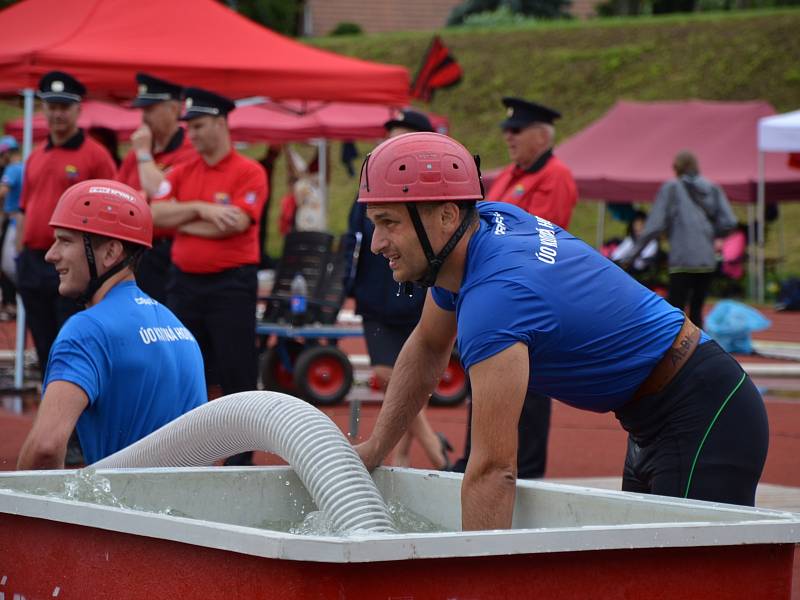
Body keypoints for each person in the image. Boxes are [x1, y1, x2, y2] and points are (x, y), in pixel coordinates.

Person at [355, 133, 768, 531]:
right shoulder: (486, 226)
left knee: (684, 580)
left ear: (446, 215)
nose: (377, 243)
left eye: (388, 222)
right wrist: (377, 446)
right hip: (665, 408)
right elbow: (428, 346)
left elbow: (493, 471)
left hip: (702, 410)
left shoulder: (495, 299)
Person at [17, 180, 206, 469]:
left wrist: (24, 510)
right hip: (185, 511)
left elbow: (45, 447)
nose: (50, 254)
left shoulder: (86, 330)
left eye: (66, 241)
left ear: (110, 253)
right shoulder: (178, 328)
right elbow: (210, 447)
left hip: (120, 511)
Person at [455, 98, 580, 478]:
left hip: (528, 299)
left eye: (516, 131)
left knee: (526, 392)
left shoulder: (555, 176)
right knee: (489, 385)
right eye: (506, 130)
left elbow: (539, 238)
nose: (508, 137)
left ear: (542, 136)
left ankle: (523, 471)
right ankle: (477, 459)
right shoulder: (512, 174)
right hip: (497, 292)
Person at [151, 87, 268, 466]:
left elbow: (233, 225)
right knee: (181, 375)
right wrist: (201, 209)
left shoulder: (249, 171)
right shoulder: (182, 170)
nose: (193, 134)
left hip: (230, 287)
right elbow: (153, 216)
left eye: (199, 125)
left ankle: (239, 465)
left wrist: (181, 222)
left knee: (236, 376)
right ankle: (184, 460)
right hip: (184, 284)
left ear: (221, 123)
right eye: (190, 127)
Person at [345, 108, 451, 470]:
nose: (390, 142)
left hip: (414, 296)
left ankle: (403, 454)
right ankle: (434, 447)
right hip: (376, 297)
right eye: (388, 135)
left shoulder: (428, 196)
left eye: (401, 135)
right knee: (390, 373)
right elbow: (357, 241)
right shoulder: (370, 186)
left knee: (411, 372)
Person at [16, 70, 117, 376]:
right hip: (34, 261)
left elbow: (109, 211)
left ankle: (74, 414)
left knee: (71, 341)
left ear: (77, 109)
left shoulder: (95, 156)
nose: (57, 113)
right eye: (52, 106)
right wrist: (19, 255)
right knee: (44, 343)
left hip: (73, 262)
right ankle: (50, 404)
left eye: (64, 106)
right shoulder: (35, 155)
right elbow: (24, 207)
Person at [625, 151, 737, 329]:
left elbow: (654, 225)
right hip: (706, 259)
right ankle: (700, 348)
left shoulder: (671, 188)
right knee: (697, 309)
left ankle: (674, 351)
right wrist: (712, 234)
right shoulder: (712, 187)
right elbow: (729, 221)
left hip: (681, 258)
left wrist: (631, 255)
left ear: (676, 167)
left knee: (675, 311)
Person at [117, 73, 197, 303]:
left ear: (174, 109)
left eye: (151, 109)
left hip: (170, 252)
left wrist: (144, 154)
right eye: (143, 110)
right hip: (134, 253)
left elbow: (160, 191)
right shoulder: (135, 155)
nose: (144, 117)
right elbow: (119, 195)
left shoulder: (190, 151)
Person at [0, 135, 22, 318]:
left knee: (7, 265)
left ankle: (15, 302)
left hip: (14, 222)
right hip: (20, 220)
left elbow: (3, 191)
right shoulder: (25, 166)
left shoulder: (12, 169)